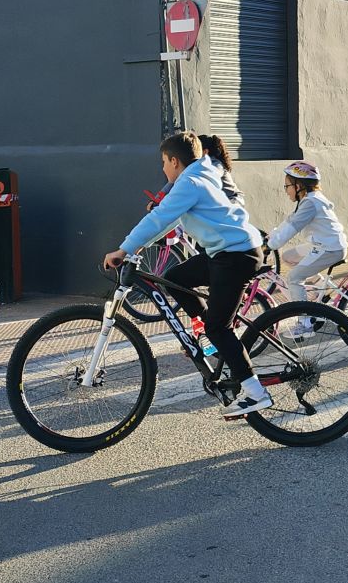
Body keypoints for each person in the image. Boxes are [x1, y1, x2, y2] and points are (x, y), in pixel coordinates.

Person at [106, 131, 272, 418]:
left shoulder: (191, 182)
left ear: (174, 161)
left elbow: (160, 218)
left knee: (219, 328)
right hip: (225, 251)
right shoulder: (203, 172)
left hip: (236, 256)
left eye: (163, 162)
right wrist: (138, 245)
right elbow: (165, 219)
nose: (162, 168)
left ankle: (256, 393)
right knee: (176, 279)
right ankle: (206, 334)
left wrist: (124, 249)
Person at [268, 161, 348, 336]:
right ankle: (321, 290)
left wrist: (270, 246)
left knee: (294, 278)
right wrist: (270, 237)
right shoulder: (308, 200)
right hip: (322, 244)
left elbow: (292, 229)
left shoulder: (310, 203)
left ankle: (305, 323)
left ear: (299, 185)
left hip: (329, 248)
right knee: (288, 257)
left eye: (287, 185)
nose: (286, 190)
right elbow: (289, 221)